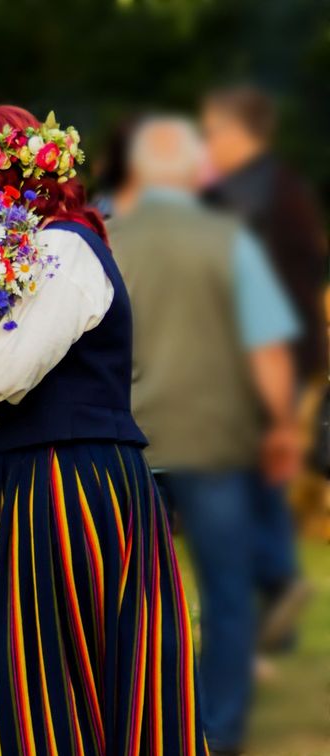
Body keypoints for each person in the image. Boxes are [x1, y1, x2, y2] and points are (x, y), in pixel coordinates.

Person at [0, 105, 206, 755]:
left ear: (6, 179)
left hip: (68, 478)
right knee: (20, 678)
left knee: (87, 667)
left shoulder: (64, 248)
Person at [108, 117, 301, 756]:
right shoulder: (229, 240)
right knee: (226, 592)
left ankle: (146, 721)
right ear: (195, 171)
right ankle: (216, 730)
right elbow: (267, 346)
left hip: (130, 441)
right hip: (217, 441)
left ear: (137, 171)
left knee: (135, 595)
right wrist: (279, 426)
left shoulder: (107, 240)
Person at [201, 84, 319, 635]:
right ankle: (274, 597)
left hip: (255, 359)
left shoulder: (242, 197)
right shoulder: (282, 189)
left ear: (237, 131)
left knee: (242, 477)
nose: (207, 142)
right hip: (279, 354)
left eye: (212, 131)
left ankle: (274, 582)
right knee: (259, 476)